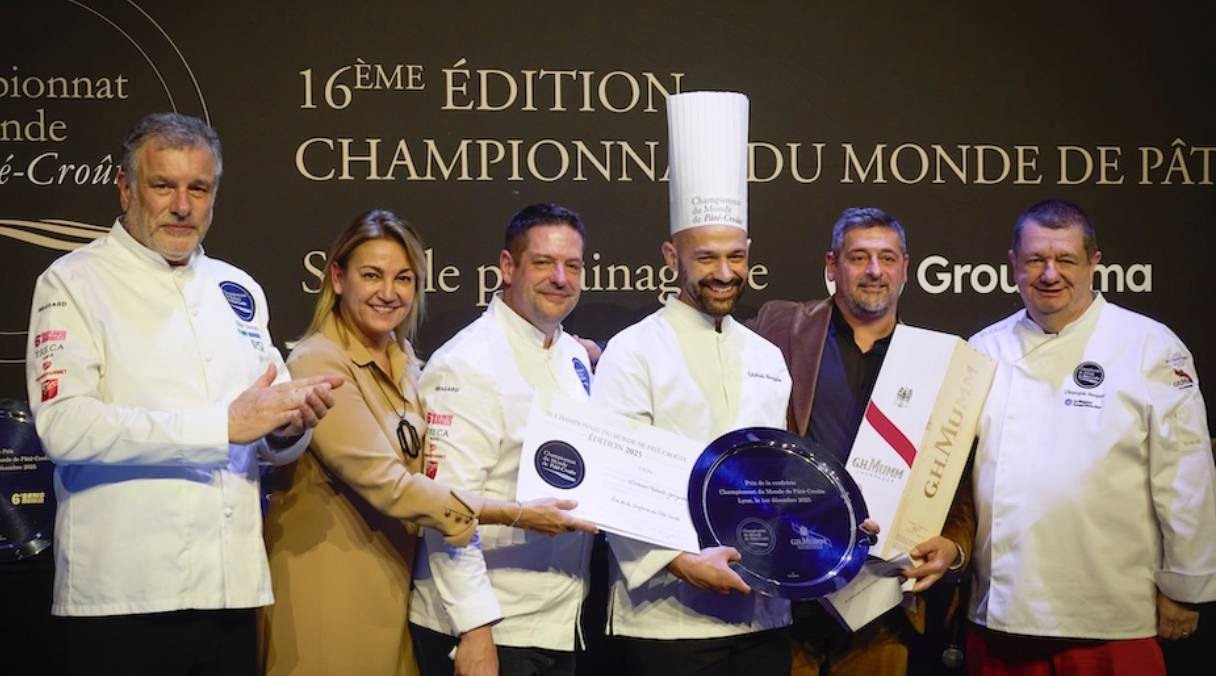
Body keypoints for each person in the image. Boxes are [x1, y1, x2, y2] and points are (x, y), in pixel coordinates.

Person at [25, 112, 343, 676]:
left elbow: (264, 426)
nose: (181, 205)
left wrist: (287, 427)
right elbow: (65, 428)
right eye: (162, 185)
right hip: (123, 595)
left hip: (231, 590)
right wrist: (221, 426)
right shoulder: (72, 281)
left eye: (198, 188)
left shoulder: (237, 287)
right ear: (126, 188)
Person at [259, 209, 596, 676]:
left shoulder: (404, 362)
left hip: (392, 585)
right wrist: (514, 520)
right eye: (371, 275)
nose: (388, 292)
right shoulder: (320, 363)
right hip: (330, 585)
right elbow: (396, 486)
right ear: (337, 278)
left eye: (403, 278)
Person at [589, 91, 793, 675]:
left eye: (735, 256)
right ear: (670, 255)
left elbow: (778, 478)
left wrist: (830, 528)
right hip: (667, 620)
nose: (724, 273)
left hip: (763, 614)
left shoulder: (768, 355)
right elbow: (612, 479)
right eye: (705, 258)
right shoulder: (634, 351)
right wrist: (678, 561)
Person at [966, 199, 1216, 675]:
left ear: (1093, 263)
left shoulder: (1148, 345)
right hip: (1004, 614)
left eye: (1066, 259)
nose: (1050, 274)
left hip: (1114, 612)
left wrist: (1186, 586)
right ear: (1013, 264)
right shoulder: (983, 349)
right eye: (1035, 260)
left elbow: (1185, 474)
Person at [750, 207, 974, 675]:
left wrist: (954, 545)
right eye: (859, 257)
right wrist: (599, 352)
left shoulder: (940, 361)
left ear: (905, 269)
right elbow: (705, 353)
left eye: (887, 258)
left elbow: (961, 476)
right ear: (832, 266)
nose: (874, 270)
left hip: (883, 602)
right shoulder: (781, 328)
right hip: (789, 594)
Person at [409, 203, 597, 676]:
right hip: (489, 630)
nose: (561, 278)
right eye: (543, 263)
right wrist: (475, 630)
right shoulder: (467, 364)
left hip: (557, 622)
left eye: (573, 266)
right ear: (508, 267)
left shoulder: (573, 355)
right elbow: (444, 511)